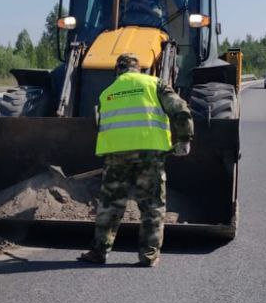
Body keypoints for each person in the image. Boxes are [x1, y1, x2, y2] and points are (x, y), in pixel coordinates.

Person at [79, 53, 193, 267]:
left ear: (118, 70)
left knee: (110, 206)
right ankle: (148, 256)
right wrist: (184, 138)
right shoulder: (154, 83)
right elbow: (180, 109)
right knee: (152, 206)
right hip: (149, 155)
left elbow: (101, 124)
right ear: (139, 69)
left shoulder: (107, 93)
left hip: (116, 157)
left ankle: (99, 252)